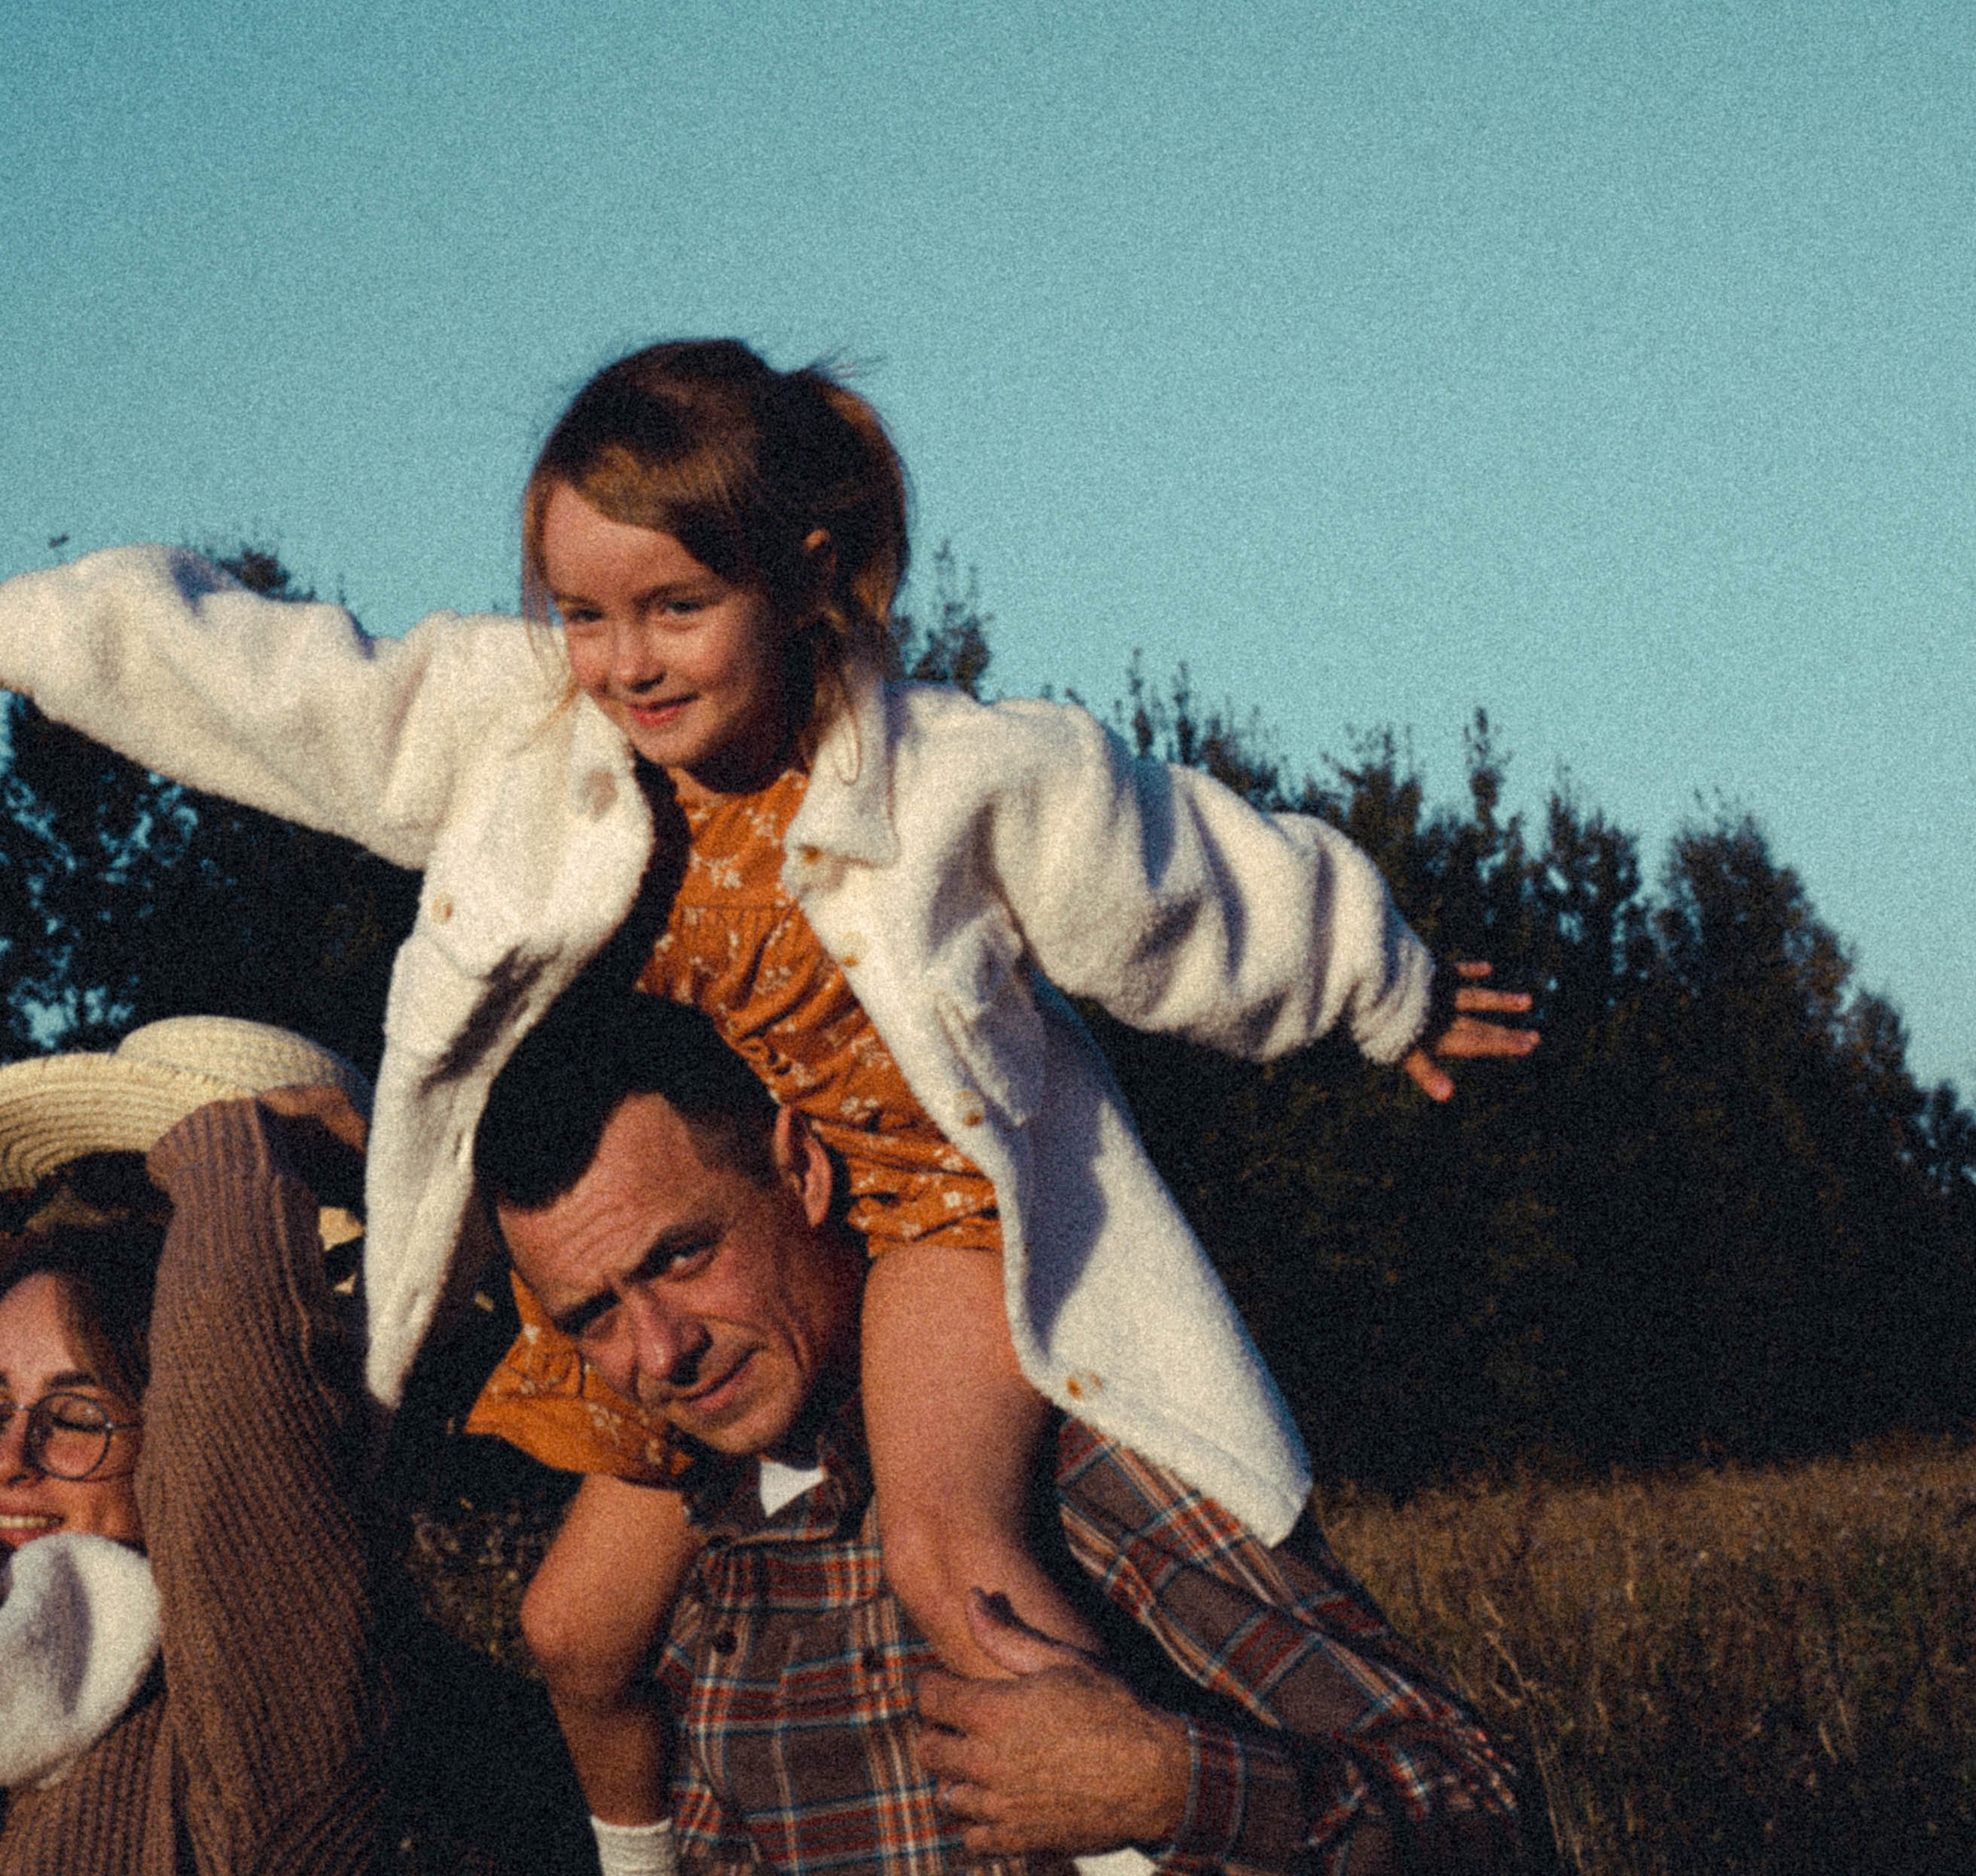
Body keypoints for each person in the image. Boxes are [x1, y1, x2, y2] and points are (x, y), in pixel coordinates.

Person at [0, 338, 1537, 1863]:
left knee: (946, 1554)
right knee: (573, 1627)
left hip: (929, 1214)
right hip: (730, 1201)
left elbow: (1163, 874)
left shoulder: (949, 775)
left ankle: (1108, 1832)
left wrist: (1375, 985)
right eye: (583, 615)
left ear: (806, 579)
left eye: (676, 607)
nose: (628, 663)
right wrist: (29, 630)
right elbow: (275, 688)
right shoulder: (522, 742)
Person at [475, 982, 1536, 1876]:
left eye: (682, 1257)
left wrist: (1175, 1788)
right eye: (595, 1315)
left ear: (801, 1171)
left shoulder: (1058, 1449)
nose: (661, 1351)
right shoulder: (689, 1547)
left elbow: (1484, 1810)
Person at [0, 1016, 381, 1875]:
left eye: (77, 1416)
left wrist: (240, 1154)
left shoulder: (246, 1718)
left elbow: (236, 1448)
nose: (10, 1458)